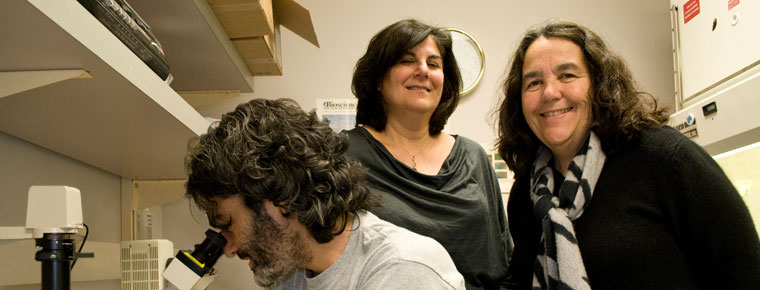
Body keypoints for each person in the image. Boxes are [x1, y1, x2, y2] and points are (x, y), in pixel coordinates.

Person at [497, 19, 760, 289]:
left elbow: (742, 272)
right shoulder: (526, 194)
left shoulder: (665, 159)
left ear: (598, 84)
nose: (550, 92)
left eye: (567, 75)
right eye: (534, 82)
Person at [184, 98, 465, 290]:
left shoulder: (403, 270)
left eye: (229, 224)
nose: (230, 249)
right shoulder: (292, 271)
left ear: (280, 198)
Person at [344, 19, 512, 290]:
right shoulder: (344, 154)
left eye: (433, 64)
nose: (422, 70)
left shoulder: (473, 156)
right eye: (406, 61)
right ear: (377, 79)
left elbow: (503, 260)